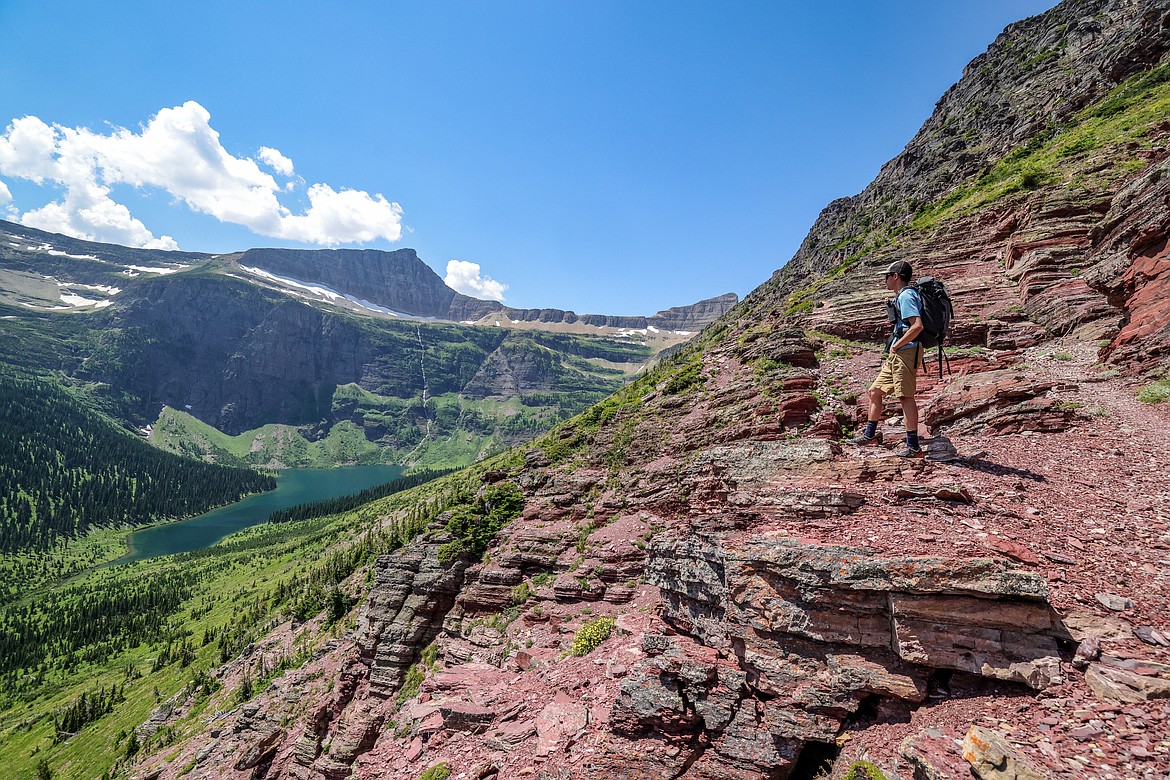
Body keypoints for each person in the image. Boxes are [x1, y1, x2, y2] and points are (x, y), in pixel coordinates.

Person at [850, 260, 924, 458]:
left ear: (896, 276)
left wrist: (898, 346)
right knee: (875, 391)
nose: (885, 280)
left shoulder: (907, 295)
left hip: (906, 352)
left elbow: (917, 326)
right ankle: (870, 436)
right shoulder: (902, 296)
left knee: (905, 396)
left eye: (887, 276)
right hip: (898, 353)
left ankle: (913, 447)